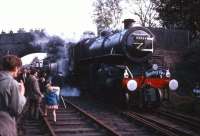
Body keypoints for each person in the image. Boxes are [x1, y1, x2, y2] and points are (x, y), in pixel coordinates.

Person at [0, 55, 26, 119]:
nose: (19, 71)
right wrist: (21, 94)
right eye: (19, 69)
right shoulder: (12, 84)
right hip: (5, 123)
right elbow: (17, 110)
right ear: (16, 68)